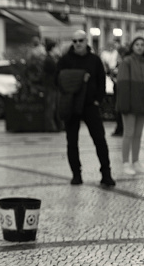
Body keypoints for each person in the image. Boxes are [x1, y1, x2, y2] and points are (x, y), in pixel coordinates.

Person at [55, 30, 116, 187]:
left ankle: (106, 173)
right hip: (71, 104)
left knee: (99, 139)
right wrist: (79, 77)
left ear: (86, 41)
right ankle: (76, 174)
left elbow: (102, 80)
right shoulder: (65, 60)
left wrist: (98, 100)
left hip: (90, 105)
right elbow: (58, 80)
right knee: (72, 141)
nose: (77, 44)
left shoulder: (94, 60)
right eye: (74, 41)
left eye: (80, 40)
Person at [115, 36, 144, 175]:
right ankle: (126, 162)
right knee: (128, 133)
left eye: (142, 45)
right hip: (129, 104)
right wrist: (124, 105)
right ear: (132, 46)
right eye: (137, 44)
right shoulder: (127, 62)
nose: (139, 47)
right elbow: (122, 84)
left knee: (138, 135)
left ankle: (136, 161)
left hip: (141, 105)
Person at [100, 40, 124, 136]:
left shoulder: (123, 63)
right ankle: (119, 128)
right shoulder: (119, 63)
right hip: (116, 86)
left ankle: (120, 128)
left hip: (119, 88)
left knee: (118, 107)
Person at [42, 39, 61, 132]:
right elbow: (56, 70)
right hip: (51, 86)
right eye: (56, 47)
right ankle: (50, 126)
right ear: (52, 48)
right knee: (51, 106)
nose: (58, 49)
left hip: (54, 86)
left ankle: (55, 125)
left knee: (54, 106)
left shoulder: (52, 59)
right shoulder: (49, 60)